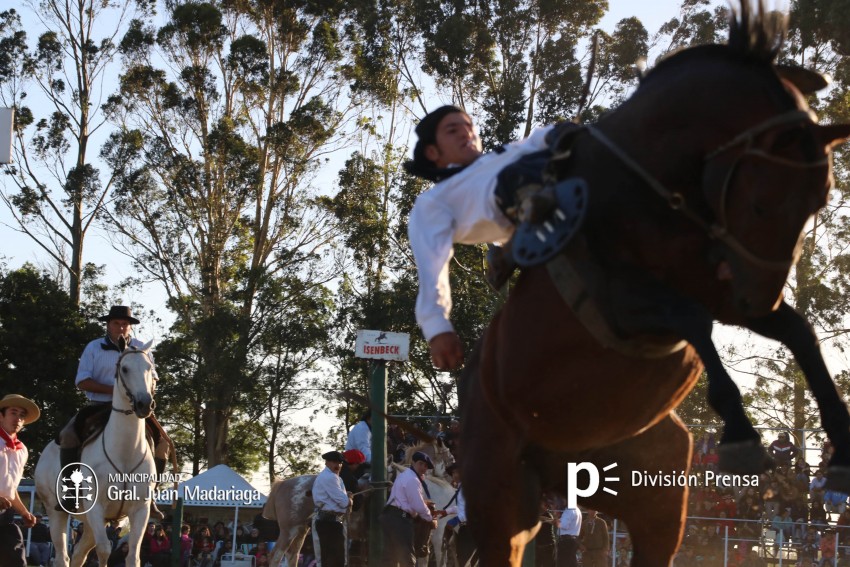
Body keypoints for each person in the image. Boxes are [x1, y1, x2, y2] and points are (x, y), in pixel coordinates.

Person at [405, 105, 558, 370]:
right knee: (515, 174)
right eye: (453, 130)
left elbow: (537, 139)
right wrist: (437, 327)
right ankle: (530, 209)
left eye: (469, 126)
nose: (466, 133)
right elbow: (432, 265)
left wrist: (559, 133)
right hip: (530, 210)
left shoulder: (506, 153)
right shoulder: (434, 201)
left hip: (575, 178)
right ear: (433, 152)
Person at [57, 305, 168, 518]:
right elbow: (82, 381)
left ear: (130, 327)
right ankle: (72, 492)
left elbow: (153, 378)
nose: (121, 327)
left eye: (124, 323)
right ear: (108, 325)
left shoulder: (142, 349)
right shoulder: (94, 347)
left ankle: (149, 495)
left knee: (162, 442)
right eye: (116, 323)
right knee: (68, 436)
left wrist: (142, 392)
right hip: (99, 406)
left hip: (134, 408)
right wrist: (116, 391)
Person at [381, 451, 440, 566]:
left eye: (426, 466)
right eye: (421, 463)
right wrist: (430, 518)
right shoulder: (413, 479)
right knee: (406, 557)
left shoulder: (404, 475)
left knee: (389, 557)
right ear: (413, 462)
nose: (423, 467)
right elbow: (418, 506)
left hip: (389, 516)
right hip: (400, 519)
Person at [0, 394, 40, 567]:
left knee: (16, 560)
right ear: (1, 416)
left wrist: (24, 512)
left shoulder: (22, 450)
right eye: (13, 412)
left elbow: (11, 488)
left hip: (5, 513)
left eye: (22, 415)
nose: (18, 418)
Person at [311, 450, 352, 567]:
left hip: (331, 521)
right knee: (331, 559)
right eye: (334, 462)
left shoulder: (332, 477)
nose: (338, 465)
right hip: (327, 523)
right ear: (327, 463)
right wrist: (350, 500)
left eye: (340, 463)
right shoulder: (331, 478)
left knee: (331, 559)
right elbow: (344, 502)